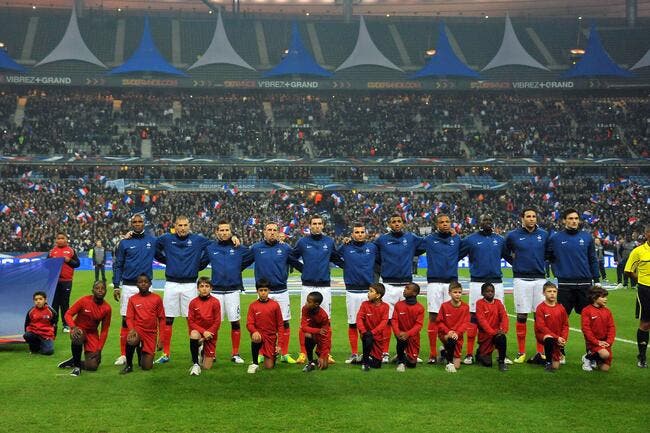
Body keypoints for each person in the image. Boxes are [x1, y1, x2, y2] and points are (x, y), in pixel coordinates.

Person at [155, 215, 211, 364]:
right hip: (171, 284)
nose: (182, 228)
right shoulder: (166, 239)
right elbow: (153, 247)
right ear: (175, 225)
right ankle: (166, 353)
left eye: (185, 225)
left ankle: (197, 351)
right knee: (168, 319)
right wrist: (166, 260)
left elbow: (213, 247)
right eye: (179, 225)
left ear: (189, 225)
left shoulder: (198, 240)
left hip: (190, 285)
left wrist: (200, 264)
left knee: (192, 319)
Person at [458, 213, 509, 365]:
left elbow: (510, 257)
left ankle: (501, 353)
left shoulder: (500, 240)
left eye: (489, 219)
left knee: (499, 316)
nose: (487, 222)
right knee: (473, 319)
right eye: (484, 219)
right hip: (477, 282)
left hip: (496, 283)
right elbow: (456, 256)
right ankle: (468, 354)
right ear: (478, 222)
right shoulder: (470, 239)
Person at [293, 215, 344, 364]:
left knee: (326, 321)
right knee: (304, 320)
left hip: (324, 287)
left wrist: (349, 264)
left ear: (323, 226)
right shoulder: (302, 242)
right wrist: (303, 269)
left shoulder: (329, 241)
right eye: (314, 223)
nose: (316, 226)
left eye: (319, 223)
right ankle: (303, 353)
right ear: (309, 225)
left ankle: (325, 353)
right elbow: (291, 257)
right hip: (307, 286)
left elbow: (336, 258)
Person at [250, 222, 303, 364]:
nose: (272, 232)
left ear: (278, 232)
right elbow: (241, 261)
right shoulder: (256, 248)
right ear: (264, 232)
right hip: (263, 291)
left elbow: (297, 263)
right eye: (269, 230)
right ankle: (261, 352)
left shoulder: (285, 248)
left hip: (281, 291)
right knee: (261, 324)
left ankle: (284, 353)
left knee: (284, 322)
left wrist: (310, 272)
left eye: (274, 230)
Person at [373, 213, 423, 363]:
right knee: (387, 321)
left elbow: (429, 243)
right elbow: (373, 254)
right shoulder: (382, 240)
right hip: (388, 285)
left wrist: (452, 234)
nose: (396, 224)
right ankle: (385, 352)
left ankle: (410, 352)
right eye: (393, 221)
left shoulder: (411, 238)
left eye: (399, 221)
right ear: (389, 223)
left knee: (409, 322)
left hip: (407, 286)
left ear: (403, 223)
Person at [204, 220, 254, 364]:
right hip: (216, 292)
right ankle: (211, 353)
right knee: (214, 324)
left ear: (231, 232)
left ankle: (235, 354)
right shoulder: (211, 248)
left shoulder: (238, 247)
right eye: (222, 230)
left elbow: (251, 256)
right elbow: (201, 262)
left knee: (235, 323)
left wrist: (238, 269)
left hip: (232, 291)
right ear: (217, 232)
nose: (225, 232)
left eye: (227, 230)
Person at [504, 208, 549, 364]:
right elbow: (504, 251)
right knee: (522, 315)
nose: (531, 219)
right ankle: (521, 352)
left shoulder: (544, 235)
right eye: (528, 216)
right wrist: (515, 263)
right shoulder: (512, 235)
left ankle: (540, 351)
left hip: (539, 279)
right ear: (522, 218)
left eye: (534, 216)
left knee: (539, 317)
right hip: (521, 279)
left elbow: (549, 253)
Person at [112, 214, 158, 366]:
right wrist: (116, 285)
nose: (137, 224)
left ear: (144, 223)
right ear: (131, 224)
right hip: (129, 286)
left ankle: (145, 350)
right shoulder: (125, 242)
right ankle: (124, 354)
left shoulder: (152, 240)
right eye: (135, 222)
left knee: (147, 319)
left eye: (140, 222)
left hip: (146, 286)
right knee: (126, 320)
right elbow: (118, 264)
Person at [418, 213, 460, 364]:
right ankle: (432, 353)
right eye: (441, 222)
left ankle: (448, 348)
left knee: (451, 318)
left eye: (447, 221)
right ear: (437, 225)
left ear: (451, 223)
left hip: (451, 283)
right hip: (435, 282)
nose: (445, 224)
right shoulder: (429, 240)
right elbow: (414, 247)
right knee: (434, 317)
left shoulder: (457, 239)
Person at [337, 222, 379, 364]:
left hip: (369, 291)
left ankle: (371, 352)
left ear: (365, 233)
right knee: (353, 323)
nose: (359, 234)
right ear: (352, 234)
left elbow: (381, 261)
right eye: (357, 232)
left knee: (370, 325)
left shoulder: (372, 247)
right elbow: (334, 257)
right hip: (352, 291)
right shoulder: (346, 247)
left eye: (362, 232)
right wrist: (346, 266)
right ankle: (354, 353)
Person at [546, 208, 600, 318]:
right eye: (570, 218)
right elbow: (548, 256)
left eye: (576, 218)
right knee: (560, 319)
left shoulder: (587, 237)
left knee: (589, 320)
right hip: (565, 285)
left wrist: (597, 280)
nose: (574, 221)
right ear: (564, 221)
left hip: (585, 285)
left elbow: (592, 259)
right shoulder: (555, 238)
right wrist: (557, 269)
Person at [57, 281, 112, 377]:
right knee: (78, 335)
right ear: (92, 290)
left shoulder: (107, 308)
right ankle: (77, 368)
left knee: (93, 366)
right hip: (78, 330)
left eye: (102, 288)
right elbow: (68, 314)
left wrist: (99, 350)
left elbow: (104, 330)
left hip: (92, 333)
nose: (100, 290)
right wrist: (73, 327)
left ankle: (74, 360)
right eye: (97, 288)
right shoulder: (84, 300)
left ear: (106, 291)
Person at [121, 274, 166, 374]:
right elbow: (129, 318)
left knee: (146, 366)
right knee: (132, 339)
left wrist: (161, 339)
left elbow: (162, 319)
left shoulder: (157, 299)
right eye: (140, 282)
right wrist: (132, 329)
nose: (143, 284)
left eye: (146, 282)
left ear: (150, 284)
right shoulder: (132, 299)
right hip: (138, 330)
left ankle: (141, 351)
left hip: (151, 333)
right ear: (137, 284)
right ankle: (129, 365)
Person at [624, 225, 650, 368]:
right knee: (646, 324)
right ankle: (642, 356)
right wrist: (640, 280)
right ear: (647, 234)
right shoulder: (638, 251)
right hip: (646, 290)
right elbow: (628, 270)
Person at [246, 278, 283, 374]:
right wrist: (254, 331)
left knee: (269, 366)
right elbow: (249, 324)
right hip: (259, 335)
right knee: (256, 337)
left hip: (271, 337)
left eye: (265, 290)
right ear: (257, 291)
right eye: (261, 290)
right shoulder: (253, 306)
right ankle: (254, 363)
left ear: (269, 291)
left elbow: (280, 325)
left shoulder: (275, 305)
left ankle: (272, 355)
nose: (263, 293)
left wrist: (279, 345)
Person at [187, 277, 222, 376]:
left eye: (207, 286)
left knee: (207, 367)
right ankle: (195, 364)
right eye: (201, 286)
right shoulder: (193, 302)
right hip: (199, 333)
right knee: (193, 334)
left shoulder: (215, 302)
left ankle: (202, 351)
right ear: (198, 288)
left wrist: (209, 333)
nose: (204, 288)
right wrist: (203, 332)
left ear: (211, 288)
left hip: (211, 335)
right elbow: (191, 322)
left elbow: (217, 321)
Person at [48, 232, 80, 333]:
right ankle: (54, 323)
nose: (60, 240)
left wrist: (69, 260)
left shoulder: (71, 251)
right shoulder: (52, 252)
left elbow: (77, 264)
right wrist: (51, 261)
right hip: (54, 281)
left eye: (62, 238)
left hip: (66, 281)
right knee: (54, 304)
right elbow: (45, 265)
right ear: (56, 240)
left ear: (66, 239)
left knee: (64, 303)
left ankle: (66, 325)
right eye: (58, 238)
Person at [436, 281, 470, 373]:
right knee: (451, 339)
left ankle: (443, 352)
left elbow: (466, 323)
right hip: (445, 334)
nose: (457, 295)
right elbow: (439, 322)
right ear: (449, 293)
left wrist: (457, 333)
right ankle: (449, 364)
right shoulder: (444, 306)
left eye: (459, 292)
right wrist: (448, 332)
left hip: (458, 336)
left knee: (457, 366)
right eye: (455, 292)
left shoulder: (465, 307)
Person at [534, 281, 569, 372]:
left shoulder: (561, 308)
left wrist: (563, 338)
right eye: (549, 291)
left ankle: (539, 358)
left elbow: (565, 325)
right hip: (543, 336)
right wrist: (557, 337)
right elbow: (541, 327)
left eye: (554, 291)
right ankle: (548, 363)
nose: (552, 294)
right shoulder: (540, 308)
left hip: (556, 337)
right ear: (544, 293)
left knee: (556, 366)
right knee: (548, 338)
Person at [475, 282, 509, 371]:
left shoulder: (498, 303)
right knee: (487, 364)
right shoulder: (479, 303)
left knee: (502, 337)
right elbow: (482, 321)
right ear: (482, 293)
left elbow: (504, 316)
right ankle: (480, 352)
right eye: (487, 291)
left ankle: (502, 361)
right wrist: (492, 332)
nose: (490, 293)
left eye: (492, 291)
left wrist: (504, 330)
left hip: (496, 334)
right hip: (485, 335)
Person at [580, 286, 616, 372]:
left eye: (606, 297)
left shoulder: (607, 311)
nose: (606, 299)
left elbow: (611, 327)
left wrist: (609, 342)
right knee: (605, 354)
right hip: (593, 343)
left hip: (605, 342)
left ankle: (594, 358)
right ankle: (587, 358)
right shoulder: (586, 310)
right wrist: (597, 342)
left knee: (604, 369)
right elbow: (586, 329)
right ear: (594, 298)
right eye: (603, 297)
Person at [356, 283, 390, 372]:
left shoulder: (385, 306)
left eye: (371, 291)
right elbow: (359, 318)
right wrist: (363, 331)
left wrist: (373, 332)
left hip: (377, 337)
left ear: (378, 295)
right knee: (368, 339)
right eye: (369, 291)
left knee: (377, 365)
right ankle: (365, 362)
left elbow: (384, 322)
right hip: (366, 334)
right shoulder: (364, 304)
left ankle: (362, 358)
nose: (368, 293)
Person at [391, 282, 424, 372]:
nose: (404, 289)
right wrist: (398, 333)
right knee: (402, 340)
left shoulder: (420, 308)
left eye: (407, 288)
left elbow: (419, 325)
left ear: (414, 293)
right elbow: (394, 320)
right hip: (401, 334)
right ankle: (401, 361)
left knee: (412, 364)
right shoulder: (398, 305)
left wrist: (408, 334)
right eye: (405, 287)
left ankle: (401, 355)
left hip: (413, 337)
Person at [300, 291, 332, 372]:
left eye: (309, 302)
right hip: (313, 334)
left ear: (316, 304)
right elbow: (303, 327)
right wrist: (317, 330)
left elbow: (325, 337)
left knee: (324, 366)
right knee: (307, 335)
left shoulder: (324, 316)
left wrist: (322, 356)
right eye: (307, 300)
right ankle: (310, 362)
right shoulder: (305, 309)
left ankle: (319, 357)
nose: (306, 303)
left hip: (322, 338)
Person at [23, 291, 57, 355]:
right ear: (34, 301)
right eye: (36, 300)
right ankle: (35, 346)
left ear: (45, 300)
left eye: (40, 299)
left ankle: (43, 344)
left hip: (46, 334)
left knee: (48, 352)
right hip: (34, 333)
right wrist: (27, 333)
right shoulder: (31, 311)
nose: (38, 301)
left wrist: (53, 337)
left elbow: (54, 325)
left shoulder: (51, 311)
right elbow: (26, 324)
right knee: (27, 335)